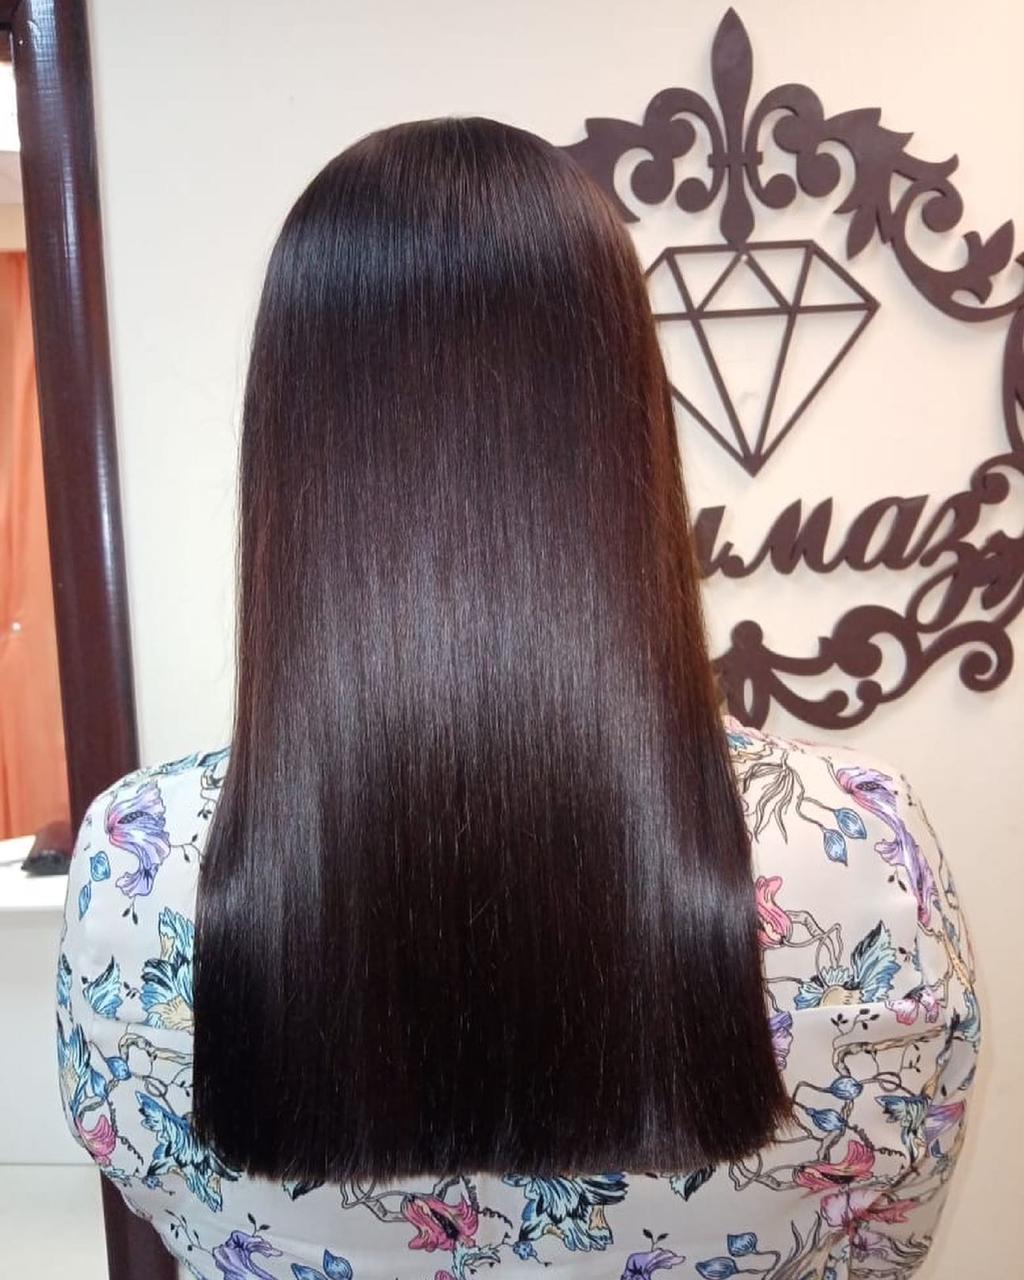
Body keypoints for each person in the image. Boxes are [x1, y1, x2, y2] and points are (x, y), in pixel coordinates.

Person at [57, 117, 979, 1280]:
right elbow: (881, 1246)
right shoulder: (864, 855)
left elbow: (172, 1213)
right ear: (627, 421)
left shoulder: (137, 869)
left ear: (290, 441)